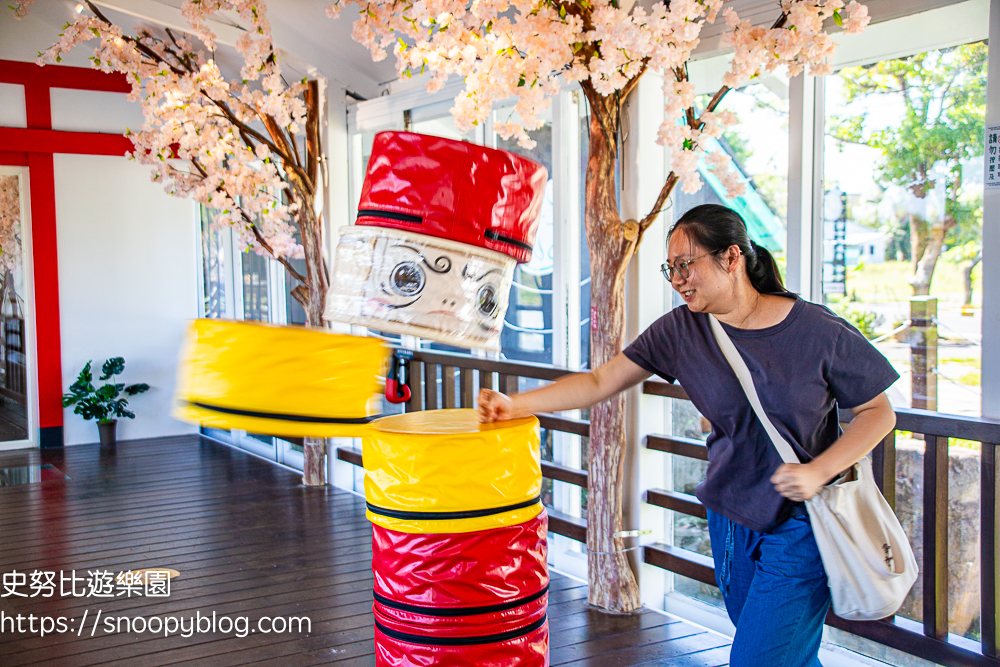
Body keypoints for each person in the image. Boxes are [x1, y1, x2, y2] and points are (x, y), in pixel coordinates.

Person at [478, 203, 899, 666]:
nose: (677, 279)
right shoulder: (681, 330)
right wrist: (514, 404)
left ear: (732, 257)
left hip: (804, 523)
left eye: (686, 264)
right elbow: (601, 382)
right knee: (784, 655)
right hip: (731, 517)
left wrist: (819, 470)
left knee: (758, 659)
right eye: (670, 268)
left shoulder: (818, 331)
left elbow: (878, 412)